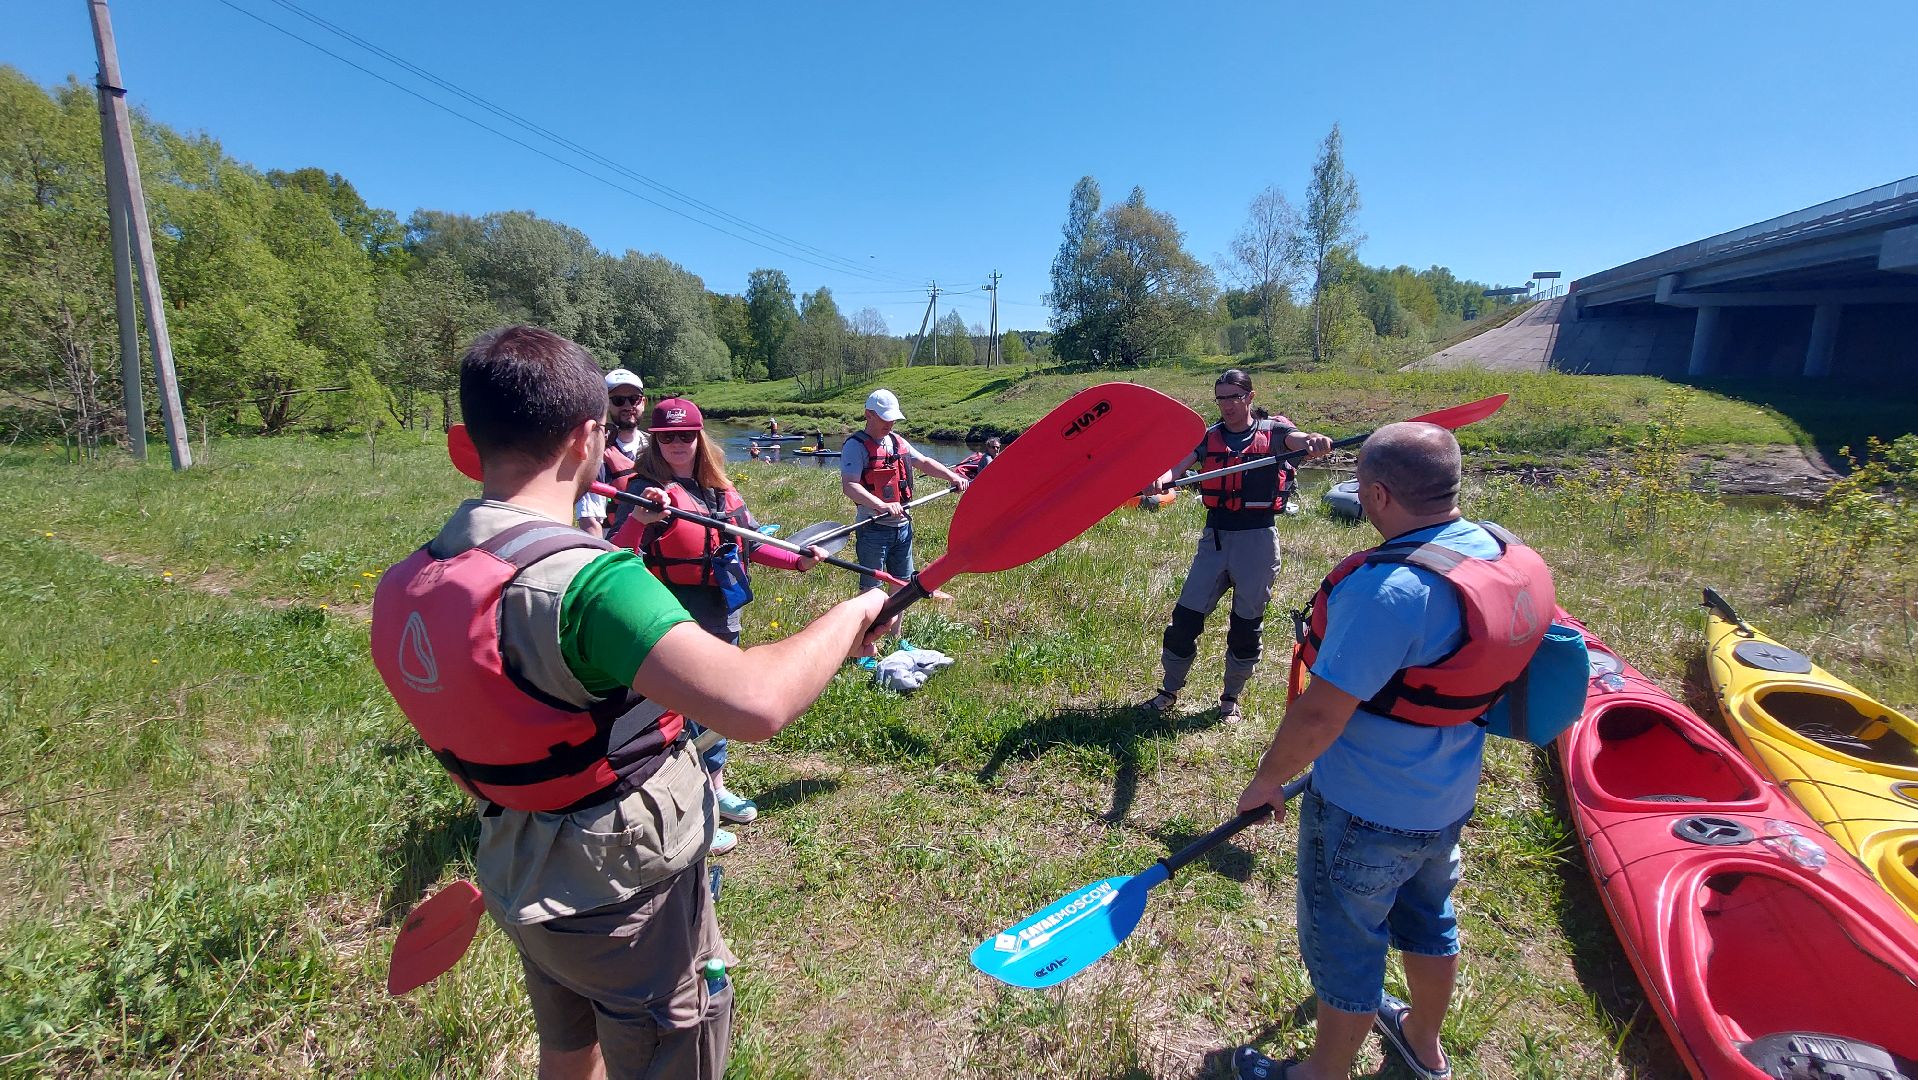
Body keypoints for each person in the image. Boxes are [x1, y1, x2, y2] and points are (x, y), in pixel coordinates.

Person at [370, 325, 892, 1080]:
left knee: (566, 1050)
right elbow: (756, 703)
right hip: (624, 895)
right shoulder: (591, 581)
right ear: (588, 438)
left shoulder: (404, 586)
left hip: (521, 874)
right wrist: (855, 612)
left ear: (468, 441)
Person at [1230, 422, 1555, 1080]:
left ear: (1377, 495)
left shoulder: (1390, 591)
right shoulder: (1497, 550)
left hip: (1365, 810)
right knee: (1430, 918)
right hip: (1448, 798)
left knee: (1348, 947)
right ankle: (1423, 1042)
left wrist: (1266, 781)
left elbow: (1320, 715)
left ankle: (1320, 1074)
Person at [611, 396, 826, 855]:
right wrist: (637, 519)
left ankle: (715, 784)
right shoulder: (640, 488)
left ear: (699, 437)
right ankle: (687, 806)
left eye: (685, 435)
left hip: (721, 609)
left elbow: (749, 544)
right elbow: (612, 558)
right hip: (667, 613)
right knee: (679, 710)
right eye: (666, 436)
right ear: (655, 438)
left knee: (720, 702)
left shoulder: (721, 490)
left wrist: (798, 560)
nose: (676, 444)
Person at [1139, 370, 1332, 720]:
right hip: (1215, 539)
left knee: (1245, 625)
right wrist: (1161, 480)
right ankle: (1168, 690)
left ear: (1250, 397)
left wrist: (1314, 440)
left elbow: (1299, 440)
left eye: (1234, 397)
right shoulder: (1209, 437)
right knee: (1184, 620)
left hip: (1257, 541)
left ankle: (1230, 698)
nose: (1227, 405)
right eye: (1221, 398)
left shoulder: (1275, 434)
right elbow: (1178, 468)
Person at [840, 388, 971, 592]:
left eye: (892, 419)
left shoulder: (897, 441)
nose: (890, 424)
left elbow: (925, 462)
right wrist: (881, 505)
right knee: (871, 591)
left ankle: (895, 626)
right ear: (869, 414)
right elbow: (850, 486)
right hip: (873, 529)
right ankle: (872, 625)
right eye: (885, 419)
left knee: (901, 586)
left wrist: (952, 476)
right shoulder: (855, 446)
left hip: (903, 527)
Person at [574, 368, 649, 539]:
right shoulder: (595, 455)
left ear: (643, 402)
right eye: (619, 400)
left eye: (634, 399)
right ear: (606, 405)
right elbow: (590, 522)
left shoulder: (656, 446)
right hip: (614, 544)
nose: (628, 406)